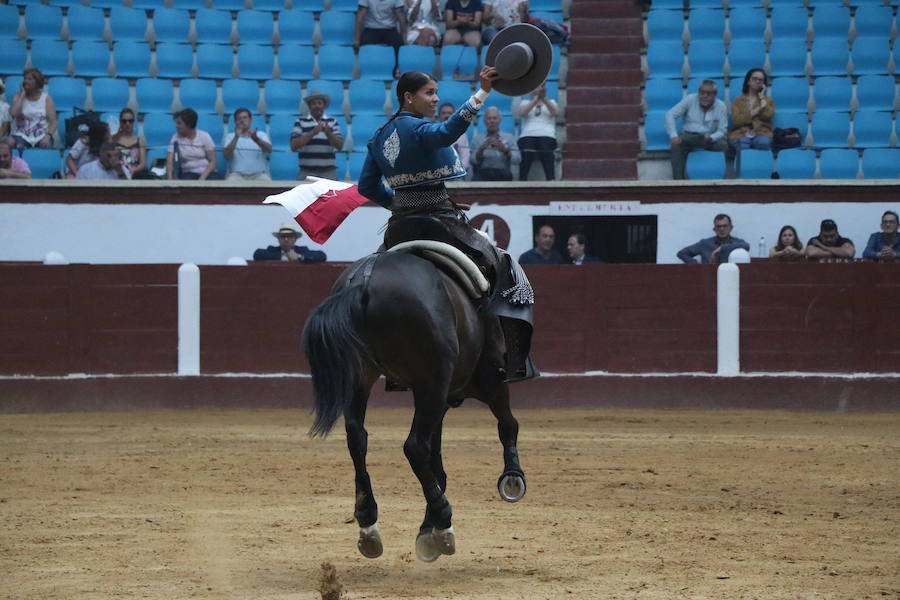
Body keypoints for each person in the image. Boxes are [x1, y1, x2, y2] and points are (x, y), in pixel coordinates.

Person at [357, 67, 536, 381]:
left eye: (436, 92)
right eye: (429, 93)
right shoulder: (417, 129)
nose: (435, 99)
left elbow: (366, 188)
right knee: (501, 262)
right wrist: (481, 93)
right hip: (440, 222)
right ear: (408, 97)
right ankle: (504, 355)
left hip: (399, 227)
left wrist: (399, 203)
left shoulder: (379, 137)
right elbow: (445, 134)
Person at [665, 80, 732, 180]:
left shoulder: (721, 106)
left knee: (724, 146)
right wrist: (673, 135)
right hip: (689, 137)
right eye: (702, 92)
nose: (704, 96)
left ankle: (723, 180)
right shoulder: (690, 99)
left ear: (715, 95)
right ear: (698, 92)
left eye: (708, 93)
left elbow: (722, 131)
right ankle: (678, 182)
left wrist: (711, 137)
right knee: (676, 145)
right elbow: (670, 115)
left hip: (709, 139)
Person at [291, 91, 344, 181]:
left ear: (324, 105)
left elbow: (340, 146)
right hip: (306, 172)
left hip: (328, 172)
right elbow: (294, 146)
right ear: (309, 106)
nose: (317, 106)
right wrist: (313, 132)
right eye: (313, 103)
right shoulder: (300, 122)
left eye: (319, 103)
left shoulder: (332, 122)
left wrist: (328, 133)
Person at [515, 83, 558, 181]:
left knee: (546, 149)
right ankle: (522, 180)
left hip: (547, 135)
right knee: (526, 151)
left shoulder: (551, 102)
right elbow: (523, 113)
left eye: (540, 87)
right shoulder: (524, 102)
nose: (538, 89)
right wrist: (535, 99)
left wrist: (544, 99)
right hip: (527, 135)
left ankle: (551, 179)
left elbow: (555, 112)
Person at [354, 0, 407, 77]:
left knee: (398, 42)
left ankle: (393, 72)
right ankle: (367, 73)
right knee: (364, 44)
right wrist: (357, 40)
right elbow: (360, 17)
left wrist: (404, 39)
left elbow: (401, 18)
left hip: (390, 28)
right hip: (371, 28)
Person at [728, 68, 775, 155]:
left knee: (763, 143)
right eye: (754, 78)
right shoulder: (738, 100)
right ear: (748, 81)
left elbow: (768, 115)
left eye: (761, 80)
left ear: (763, 84)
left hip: (761, 133)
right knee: (742, 144)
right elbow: (736, 121)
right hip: (741, 133)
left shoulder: (767, 100)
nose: (757, 81)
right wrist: (753, 112)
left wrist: (761, 98)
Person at [9, 68, 57, 151]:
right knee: (11, 143)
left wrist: (49, 135)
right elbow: (13, 114)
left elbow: (54, 122)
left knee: (47, 145)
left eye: (29, 79)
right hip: (21, 135)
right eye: (25, 78)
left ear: (37, 82)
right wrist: (22, 94)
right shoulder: (17, 96)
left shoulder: (46, 99)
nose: (26, 81)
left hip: (41, 135)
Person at [166, 108, 217, 180]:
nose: (176, 126)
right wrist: (170, 180)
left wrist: (202, 178)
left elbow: (213, 161)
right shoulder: (175, 138)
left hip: (206, 171)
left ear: (188, 124)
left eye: (179, 123)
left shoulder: (205, 136)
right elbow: (170, 160)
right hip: (188, 172)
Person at [677, 213, 750, 263]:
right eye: (718, 226)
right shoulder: (705, 243)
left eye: (725, 226)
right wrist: (696, 264)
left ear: (731, 228)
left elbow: (746, 246)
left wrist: (722, 248)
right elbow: (682, 253)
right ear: (714, 229)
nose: (722, 229)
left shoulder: (737, 243)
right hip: (709, 281)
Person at [224, 108, 272, 181]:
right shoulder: (230, 136)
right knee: (230, 181)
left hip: (259, 174)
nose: (242, 120)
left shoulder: (261, 135)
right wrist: (236, 137)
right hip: (237, 175)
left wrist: (256, 139)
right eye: (239, 118)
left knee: (267, 182)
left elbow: (269, 149)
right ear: (235, 122)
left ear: (250, 120)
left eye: (245, 117)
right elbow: (226, 155)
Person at [471, 107, 518, 181]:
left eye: (495, 118)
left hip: (503, 173)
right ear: (484, 121)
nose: (492, 121)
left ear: (500, 120)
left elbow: (517, 159)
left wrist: (505, 150)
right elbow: (472, 160)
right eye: (489, 118)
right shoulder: (477, 139)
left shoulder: (509, 137)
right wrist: (482, 148)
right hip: (483, 173)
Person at [253, 221, 327, 262]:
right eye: (283, 236)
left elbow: (322, 255)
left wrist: (299, 256)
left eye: (289, 236)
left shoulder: (302, 250)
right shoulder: (272, 250)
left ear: (295, 239)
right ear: (278, 239)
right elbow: (257, 254)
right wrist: (283, 257)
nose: (286, 239)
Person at [111, 107, 151, 179]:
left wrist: (134, 170)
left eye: (130, 121)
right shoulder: (114, 140)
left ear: (134, 122)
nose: (127, 123)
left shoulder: (140, 141)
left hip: (135, 175)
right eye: (124, 121)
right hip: (117, 175)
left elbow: (143, 164)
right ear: (120, 122)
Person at [436, 102, 469, 171]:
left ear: (454, 116)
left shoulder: (461, 134)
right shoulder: (433, 132)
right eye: (444, 113)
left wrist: (459, 171)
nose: (446, 115)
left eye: (449, 113)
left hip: (457, 173)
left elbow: (465, 157)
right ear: (439, 116)